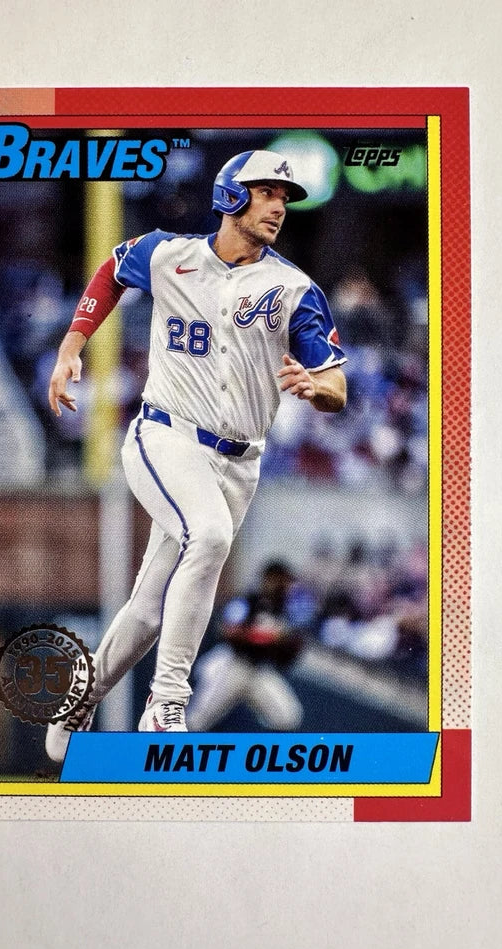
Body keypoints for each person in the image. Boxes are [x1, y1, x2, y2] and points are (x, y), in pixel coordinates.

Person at [45, 149, 347, 761]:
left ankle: (82, 696)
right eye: (266, 192)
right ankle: (166, 704)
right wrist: (72, 345)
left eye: (284, 198)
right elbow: (111, 269)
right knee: (208, 536)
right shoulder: (170, 254)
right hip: (166, 435)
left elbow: (337, 385)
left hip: (239, 464)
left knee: (148, 607)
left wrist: (318, 390)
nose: (279, 207)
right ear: (231, 195)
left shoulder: (294, 289)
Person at [187, 560, 314, 732]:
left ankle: (257, 746)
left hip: (259, 670)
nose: (284, 586)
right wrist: (264, 636)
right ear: (268, 578)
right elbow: (228, 631)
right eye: (279, 580)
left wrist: (284, 643)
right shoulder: (248, 601)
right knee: (196, 721)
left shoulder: (283, 610)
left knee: (288, 717)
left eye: (286, 582)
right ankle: (172, 745)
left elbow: (289, 648)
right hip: (235, 665)